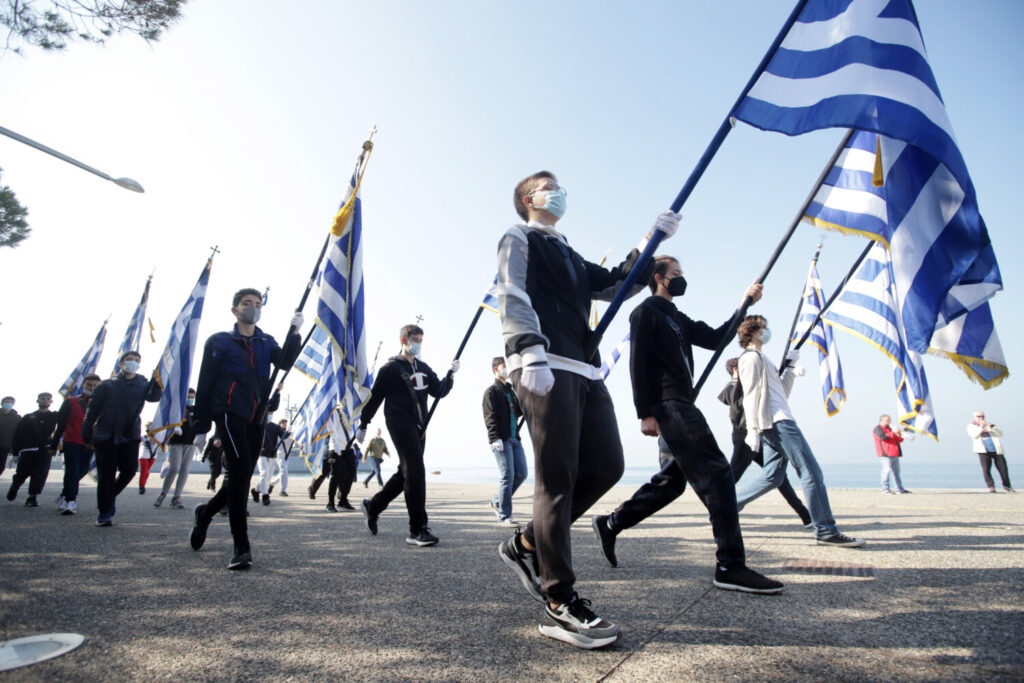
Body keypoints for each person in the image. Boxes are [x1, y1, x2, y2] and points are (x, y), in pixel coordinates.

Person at [495, 169, 678, 650]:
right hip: (542, 362)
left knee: (607, 465)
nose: (558, 192)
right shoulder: (518, 236)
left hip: (585, 368)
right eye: (548, 186)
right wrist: (527, 347)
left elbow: (618, 283)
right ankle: (560, 600)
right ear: (529, 198)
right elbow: (510, 291)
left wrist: (649, 241)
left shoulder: (570, 253)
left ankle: (526, 543)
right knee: (556, 479)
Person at [589, 256, 783, 596]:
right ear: (659, 278)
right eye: (676, 274)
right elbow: (639, 363)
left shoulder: (676, 316)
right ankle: (730, 565)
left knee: (671, 482)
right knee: (719, 473)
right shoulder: (646, 311)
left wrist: (744, 304)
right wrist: (644, 413)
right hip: (669, 404)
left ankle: (611, 522)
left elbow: (716, 338)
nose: (682, 279)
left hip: (680, 403)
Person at [188, 287, 302, 570]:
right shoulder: (219, 341)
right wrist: (201, 422)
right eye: (247, 303)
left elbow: (286, 360)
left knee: (241, 474)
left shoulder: (266, 341)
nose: (253, 307)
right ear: (235, 310)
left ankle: (206, 512)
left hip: (257, 415)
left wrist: (295, 332)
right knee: (239, 470)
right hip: (228, 412)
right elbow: (205, 381)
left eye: (257, 304)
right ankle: (241, 545)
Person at [733, 315, 865, 548]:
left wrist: (790, 369)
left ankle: (727, 507)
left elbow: (781, 393)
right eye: (764, 327)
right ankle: (825, 530)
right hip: (778, 422)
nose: (767, 331)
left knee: (772, 476)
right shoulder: (751, 358)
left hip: (776, 420)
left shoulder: (763, 358)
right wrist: (753, 430)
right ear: (752, 332)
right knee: (811, 472)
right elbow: (751, 394)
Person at [358, 323, 456, 547]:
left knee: (406, 473)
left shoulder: (422, 367)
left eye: (421, 340)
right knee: (416, 470)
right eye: (415, 340)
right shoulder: (390, 368)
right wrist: (364, 423)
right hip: (399, 422)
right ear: (404, 340)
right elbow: (375, 398)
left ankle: (373, 506)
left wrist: (450, 375)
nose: (418, 344)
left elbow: (438, 391)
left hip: (420, 425)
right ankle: (418, 529)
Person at [719, 358, 812, 525]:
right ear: (735, 370)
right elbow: (741, 396)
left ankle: (805, 515)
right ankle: (719, 511)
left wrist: (787, 374)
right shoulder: (730, 388)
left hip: (761, 436)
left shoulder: (745, 385)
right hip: (744, 439)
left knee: (778, 478)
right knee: (731, 478)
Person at [81, 351, 163, 525]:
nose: (132, 363)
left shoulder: (142, 383)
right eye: (129, 360)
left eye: (136, 360)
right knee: (107, 475)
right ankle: (104, 513)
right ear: (121, 364)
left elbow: (154, 397)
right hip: (105, 435)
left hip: (130, 434)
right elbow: (92, 412)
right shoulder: (106, 385)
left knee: (130, 470)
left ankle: (108, 498)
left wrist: (156, 382)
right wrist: (86, 435)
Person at [482, 356, 527, 527]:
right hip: (501, 440)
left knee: (521, 474)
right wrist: (494, 438)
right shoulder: (491, 391)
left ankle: (497, 501)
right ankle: (504, 516)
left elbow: (520, 411)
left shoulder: (511, 391)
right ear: (496, 369)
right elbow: (489, 417)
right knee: (507, 476)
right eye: (504, 366)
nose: (507, 368)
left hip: (515, 439)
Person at [51, 374, 101, 515]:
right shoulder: (71, 402)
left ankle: (65, 493)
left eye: (95, 386)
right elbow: (60, 425)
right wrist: (54, 445)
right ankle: (70, 501)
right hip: (72, 441)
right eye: (89, 385)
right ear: (83, 385)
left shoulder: (103, 403)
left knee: (82, 470)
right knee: (71, 471)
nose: (92, 388)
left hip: (91, 444)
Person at [6, 392, 59, 507]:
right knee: (21, 473)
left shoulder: (54, 416)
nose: (45, 400)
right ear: (37, 401)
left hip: (44, 450)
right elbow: (18, 434)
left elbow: (64, 422)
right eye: (42, 398)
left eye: (47, 399)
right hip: (28, 449)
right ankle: (14, 487)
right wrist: (15, 452)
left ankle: (32, 496)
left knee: (39, 474)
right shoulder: (28, 417)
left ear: (51, 402)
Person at [154, 388, 200, 509]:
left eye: (192, 397)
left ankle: (177, 496)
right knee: (174, 468)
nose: (190, 399)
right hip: (177, 441)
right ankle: (163, 493)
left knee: (185, 469)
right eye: (188, 397)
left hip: (191, 442)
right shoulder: (177, 410)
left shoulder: (196, 410)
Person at [968, 411, 1012, 493]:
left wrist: (991, 428)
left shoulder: (990, 425)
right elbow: (974, 435)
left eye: (983, 416)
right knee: (986, 468)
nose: (981, 418)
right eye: (979, 416)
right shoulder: (971, 426)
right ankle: (991, 486)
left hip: (996, 450)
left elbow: (1000, 434)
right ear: (974, 417)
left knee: (1003, 468)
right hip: (983, 450)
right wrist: (981, 427)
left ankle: (1007, 485)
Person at [252, 416, 286, 506]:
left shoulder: (275, 427)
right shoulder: (258, 424)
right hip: (260, 453)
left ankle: (256, 490)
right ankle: (265, 496)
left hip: (271, 454)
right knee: (264, 473)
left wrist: (288, 430)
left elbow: (283, 435)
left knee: (267, 477)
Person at [874, 415, 909, 494]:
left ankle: (899, 489)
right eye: (887, 421)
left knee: (896, 472)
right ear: (881, 421)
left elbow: (899, 440)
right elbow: (883, 437)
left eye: (889, 420)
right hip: (886, 454)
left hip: (895, 453)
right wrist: (893, 432)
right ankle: (885, 489)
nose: (888, 422)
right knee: (886, 471)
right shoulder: (878, 429)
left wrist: (901, 433)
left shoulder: (890, 429)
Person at [0, 396, 20, 477]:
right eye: (7, 402)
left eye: (11, 402)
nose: (8, 404)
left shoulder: (17, 418)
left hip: (6, 445)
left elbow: (19, 433)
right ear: (2, 403)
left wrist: (15, 447)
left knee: (1, 465)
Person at [273, 420, 293, 496]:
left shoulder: (289, 433)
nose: (285, 424)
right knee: (283, 470)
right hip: (279, 453)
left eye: (285, 423)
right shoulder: (277, 433)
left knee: (283, 472)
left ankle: (272, 484)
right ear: (279, 424)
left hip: (287, 455)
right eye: (283, 423)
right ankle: (282, 490)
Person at [139, 423, 160, 494]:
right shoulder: (143, 437)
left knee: (147, 471)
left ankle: (143, 484)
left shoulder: (157, 436)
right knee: (144, 471)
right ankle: (141, 486)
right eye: (149, 427)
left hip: (153, 455)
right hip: (144, 455)